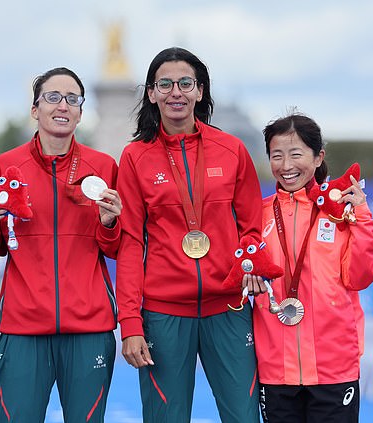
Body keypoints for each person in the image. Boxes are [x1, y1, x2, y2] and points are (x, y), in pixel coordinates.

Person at [116, 47, 263, 422]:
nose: (175, 92)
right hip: (164, 314)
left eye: (185, 83)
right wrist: (131, 323)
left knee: (244, 416)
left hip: (228, 310)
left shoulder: (232, 150)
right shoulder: (134, 157)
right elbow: (131, 243)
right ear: (151, 93)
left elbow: (252, 229)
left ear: (200, 91)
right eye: (164, 84)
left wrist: (251, 266)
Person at [0, 67, 122, 422]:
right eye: (53, 97)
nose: (63, 105)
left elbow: (116, 249)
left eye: (73, 99)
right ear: (35, 110)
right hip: (23, 328)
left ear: (82, 111)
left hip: (89, 329)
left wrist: (111, 223)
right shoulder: (6, 166)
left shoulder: (103, 167)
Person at [246, 113, 373, 422]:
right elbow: (240, 271)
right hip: (276, 368)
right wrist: (247, 279)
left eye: (296, 154)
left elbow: (362, 275)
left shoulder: (340, 214)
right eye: (276, 155)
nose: (286, 165)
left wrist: (361, 214)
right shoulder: (258, 215)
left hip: (334, 366)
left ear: (318, 156)